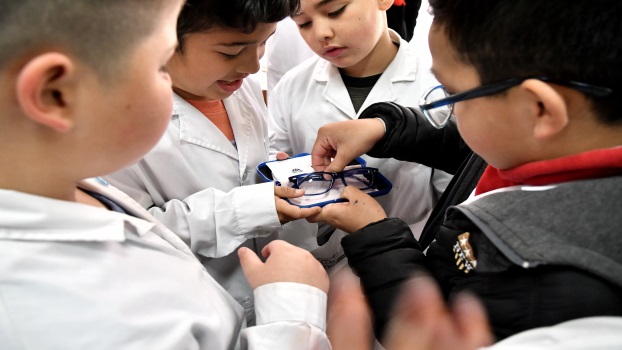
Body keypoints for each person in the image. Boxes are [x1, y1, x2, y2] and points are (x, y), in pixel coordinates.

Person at [0, 0, 331, 349]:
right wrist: (294, 308)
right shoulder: (71, 307)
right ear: (55, 92)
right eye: (161, 63)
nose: (253, 66)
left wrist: (268, 172)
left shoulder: (67, 184)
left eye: (266, 43)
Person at [308, 0, 622, 344]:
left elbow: (431, 328)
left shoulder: (544, 287)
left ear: (540, 107)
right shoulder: (540, 144)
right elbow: (475, 153)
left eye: (453, 94)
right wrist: (387, 129)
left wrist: (374, 236)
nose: (451, 108)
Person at [103, 0, 322, 325]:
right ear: (159, 37)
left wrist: (274, 175)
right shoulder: (115, 125)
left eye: (264, 42)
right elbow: (134, 234)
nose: (252, 66)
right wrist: (247, 209)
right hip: (195, 309)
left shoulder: (239, 85)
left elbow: (243, 162)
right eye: (231, 52)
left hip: (274, 294)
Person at [268, 0, 451, 270]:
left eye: (335, 11)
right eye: (303, 23)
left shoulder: (437, 88)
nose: (321, 33)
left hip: (404, 262)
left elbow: (453, 196)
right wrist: (279, 172)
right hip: (310, 263)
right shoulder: (292, 87)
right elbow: (275, 156)